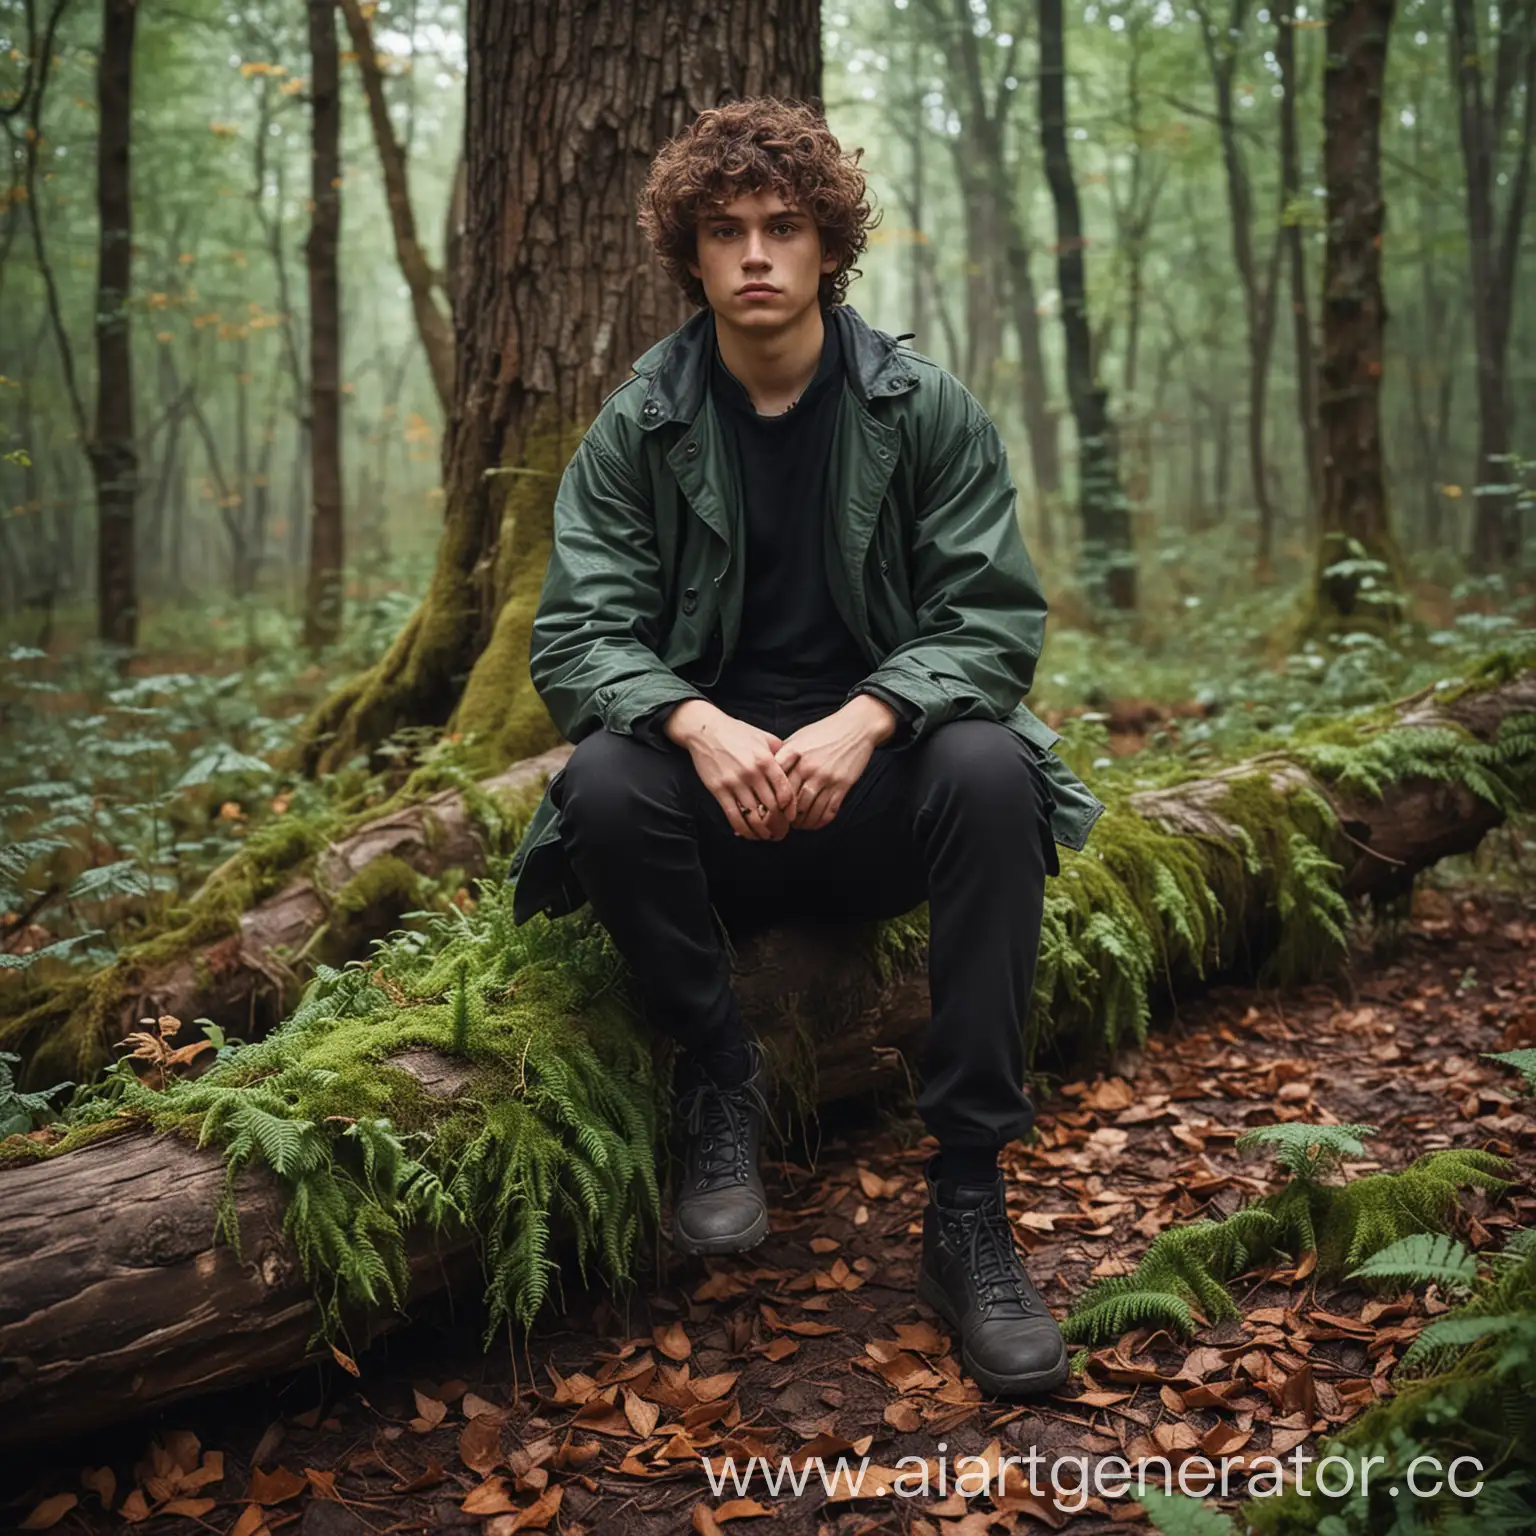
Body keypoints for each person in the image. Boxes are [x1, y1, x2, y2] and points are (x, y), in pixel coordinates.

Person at [506, 97, 1106, 1397]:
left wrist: (866, 718)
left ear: (830, 243)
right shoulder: (641, 428)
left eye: (785, 226)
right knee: (605, 783)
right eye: (727, 232)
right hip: (715, 829)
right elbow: (576, 640)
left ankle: (965, 1201)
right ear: (693, 256)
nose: (758, 254)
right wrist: (695, 721)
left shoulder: (921, 409)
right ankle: (720, 1075)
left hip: (879, 809)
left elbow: (992, 623)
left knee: (995, 769)